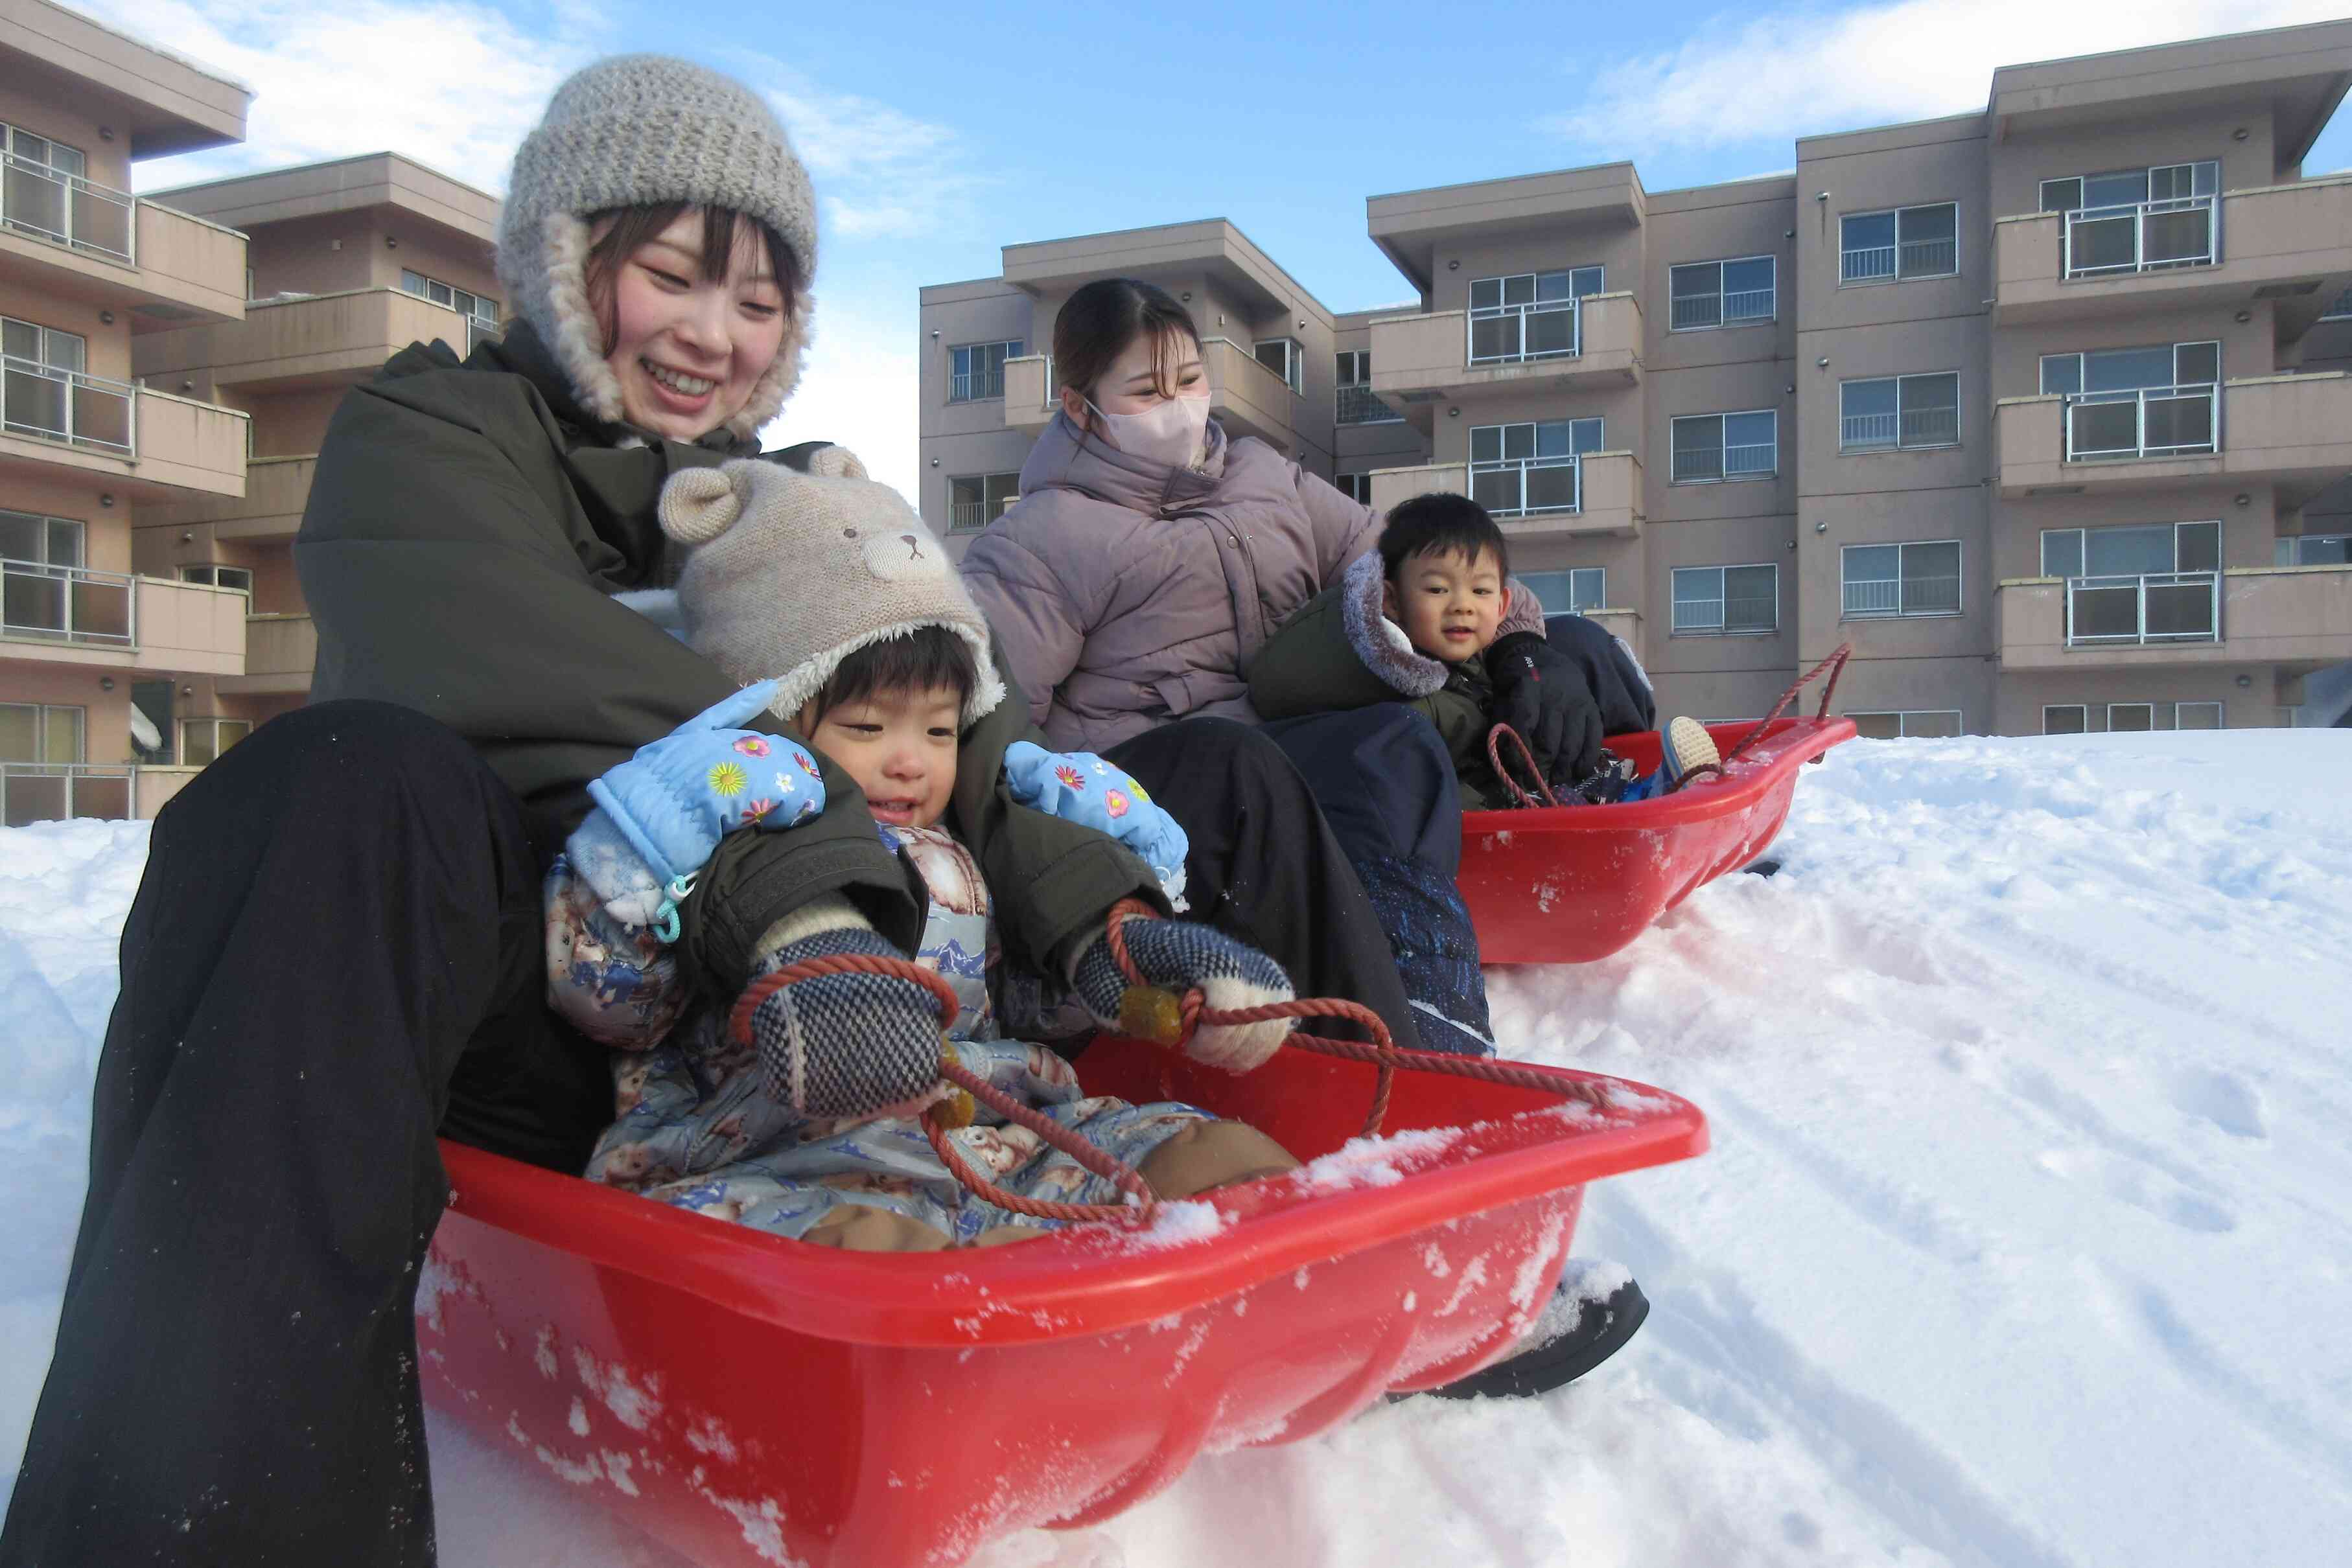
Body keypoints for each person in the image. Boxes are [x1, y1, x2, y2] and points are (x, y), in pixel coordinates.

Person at [0, 57, 1390, 1567]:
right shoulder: (437, 437)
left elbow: (957, 730)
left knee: (1214, 773)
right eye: (670, 275)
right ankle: (205, 1522)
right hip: (567, 1009)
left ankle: (1403, 1224)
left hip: (868, 1004)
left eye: (761, 302)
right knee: (335, 785)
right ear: (560, 260)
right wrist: (796, 840)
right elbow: (493, 667)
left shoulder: (799, 504)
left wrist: (1099, 909)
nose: (712, 335)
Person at [961, 279, 1652, 1397]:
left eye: (1189, 378)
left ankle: (1426, 1046)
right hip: (1142, 793)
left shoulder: (1266, 480)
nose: (1179, 405)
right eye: (1145, 389)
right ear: (1081, 408)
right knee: (1242, 770)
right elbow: (982, 724)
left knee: (1389, 738)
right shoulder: (1042, 539)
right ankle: (1398, 1212)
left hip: (1276, 772)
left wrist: (1523, 646)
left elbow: (1420, 557)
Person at [558, 452, 1300, 1248]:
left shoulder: (964, 850)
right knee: (866, 1253)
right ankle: (975, 1332)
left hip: (999, 1140)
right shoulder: (699, 843)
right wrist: (643, 883)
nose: (909, 758)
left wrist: (1131, 974)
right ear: (764, 724)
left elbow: (1022, 1007)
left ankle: (1262, 1316)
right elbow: (614, 1003)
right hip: (777, 1160)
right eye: (867, 727)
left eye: (940, 730)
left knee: (1223, 1159)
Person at [1252, 492, 1719, 808]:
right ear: (1392, 600)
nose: (1461, 607)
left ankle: (1655, 788)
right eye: (1436, 590)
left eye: (1479, 593)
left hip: (1537, 788)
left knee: (1582, 655)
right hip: (1498, 816)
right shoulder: (1405, 699)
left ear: (1502, 605)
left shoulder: (1479, 665)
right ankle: (1656, 798)